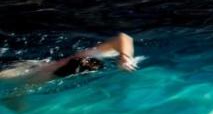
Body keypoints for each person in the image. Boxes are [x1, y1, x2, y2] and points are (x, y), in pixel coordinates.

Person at [0, 33, 137, 88]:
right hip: (35, 68)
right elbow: (124, 37)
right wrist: (125, 57)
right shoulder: (50, 73)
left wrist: (125, 57)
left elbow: (124, 37)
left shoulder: (88, 58)